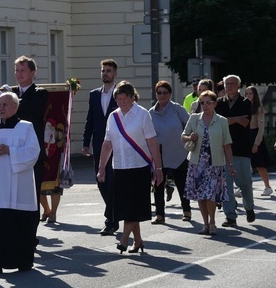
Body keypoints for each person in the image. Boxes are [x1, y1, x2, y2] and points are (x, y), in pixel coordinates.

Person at [0, 92, 40, 275]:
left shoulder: (26, 127)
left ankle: (23, 261)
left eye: (5, 104)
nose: (1, 108)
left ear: (15, 107)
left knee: (21, 224)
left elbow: (33, 152)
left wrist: (10, 150)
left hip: (20, 185)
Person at [97, 81, 163, 254]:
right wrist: (101, 167)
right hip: (119, 167)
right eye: (118, 99)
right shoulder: (113, 117)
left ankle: (124, 239)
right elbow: (107, 144)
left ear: (132, 97)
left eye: (124, 98)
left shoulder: (142, 115)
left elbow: (152, 142)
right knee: (127, 207)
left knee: (133, 207)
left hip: (139, 167)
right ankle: (139, 240)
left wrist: (158, 168)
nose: (121, 102)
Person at [0, 56, 47, 229]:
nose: (19, 74)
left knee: (30, 193)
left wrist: (13, 100)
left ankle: (30, 231)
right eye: (16, 70)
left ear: (32, 72)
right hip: (6, 154)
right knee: (8, 194)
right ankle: (12, 228)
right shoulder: (11, 92)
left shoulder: (40, 92)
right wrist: (1, 101)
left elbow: (32, 111)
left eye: (23, 70)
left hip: (29, 152)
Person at [182, 90, 235, 235]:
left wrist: (230, 165)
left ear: (214, 104)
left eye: (208, 103)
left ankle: (212, 221)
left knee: (210, 194)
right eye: (202, 102)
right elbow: (183, 135)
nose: (205, 105)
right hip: (197, 163)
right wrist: (189, 137)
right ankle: (205, 224)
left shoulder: (222, 121)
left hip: (214, 163)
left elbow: (227, 144)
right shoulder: (194, 118)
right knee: (201, 195)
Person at [82, 59, 119, 235]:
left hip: (117, 145)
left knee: (111, 181)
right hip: (99, 143)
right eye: (103, 71)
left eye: (109, 71)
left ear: (115, 74)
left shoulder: (121, 94)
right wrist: (85, 142)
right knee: (101, 181)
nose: (105, 73)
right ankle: (113, 213)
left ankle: (111, 219)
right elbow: (90, 119)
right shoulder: (94, 94)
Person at [215, 75, 255, 227]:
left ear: (238, 86)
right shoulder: (218, 103)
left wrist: (231, 120)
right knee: (226, 185)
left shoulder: (245, 103)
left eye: (232, 83)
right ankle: (230, 215)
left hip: (241, 148)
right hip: (223, 149)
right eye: (227, 83)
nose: (229, 86)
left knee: (245, 183)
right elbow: (217, 122)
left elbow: (245, 122)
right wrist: (235, 119)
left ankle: (249, 207)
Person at [149, 81, 192, 223]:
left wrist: (188, 139)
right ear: (156, 94)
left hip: (178, 152)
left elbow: (189, 125)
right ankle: (159, 214)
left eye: (165, 92)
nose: (162, 95)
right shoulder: (151, 113)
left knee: (182, 183)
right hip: (159, 154)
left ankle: (186, 211)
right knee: (158, 184)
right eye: (159, 92)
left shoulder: (177, 109)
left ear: (170, 94)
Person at [244, 86, 273, 196]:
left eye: (250, 94)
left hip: (255, 136)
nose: (248, 96)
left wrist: (256, 143)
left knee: (259, 164)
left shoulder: (258, 109)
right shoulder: (244, 107)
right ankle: (245, 186)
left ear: (255, 95)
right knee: (246, 164)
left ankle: (267, 186)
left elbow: (261, 129)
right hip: (246, 136)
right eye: (246, 94)